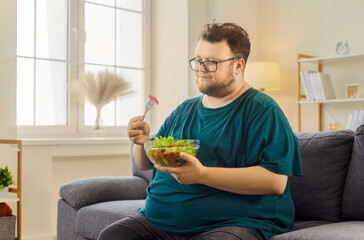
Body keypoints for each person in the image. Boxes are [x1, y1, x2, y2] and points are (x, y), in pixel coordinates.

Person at [98, 22, 302, 240]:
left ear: (238, 66)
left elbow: (275, 182)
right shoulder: (184, 109)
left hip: (233, 224)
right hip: (158, 222)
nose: (202, 68)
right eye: (199, 60)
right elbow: (145, 163)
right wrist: (141, 143)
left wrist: (203, 175)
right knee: (111, 236)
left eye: (212, 62)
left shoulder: (263, 110)